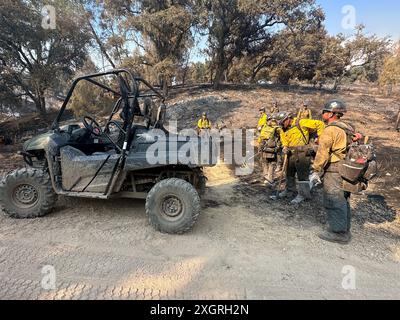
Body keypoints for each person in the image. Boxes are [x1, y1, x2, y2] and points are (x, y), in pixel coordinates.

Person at [310, 99, 361, 244]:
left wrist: (315, 169)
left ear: (332, 114)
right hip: (346, 168)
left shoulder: (330, 129)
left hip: (334, 169)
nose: (323, 113)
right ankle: (344, 229)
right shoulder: (348, 128)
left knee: (333, 198)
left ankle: (337, 233)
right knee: (343, 199)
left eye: (325, 111)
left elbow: (323, 152)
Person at [275, 111, 325, 204]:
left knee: (302, 175)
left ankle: (303, 194)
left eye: (282, 122)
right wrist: (285, 146)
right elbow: (283, 138)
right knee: (289, 173)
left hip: (302, 152)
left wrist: (321, 138)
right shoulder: (283, 128)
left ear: (288, 119)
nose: (282, 125)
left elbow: (320, 124)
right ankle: (289, 191)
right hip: (290, 152)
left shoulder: (301, 122)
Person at [258, 116, 281, 186]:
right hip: (270, 148)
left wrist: (260, 147)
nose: (270, 121)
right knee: (271, 163)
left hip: (265, 147)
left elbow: (260, 138)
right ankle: (269, 178)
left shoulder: (264, 127)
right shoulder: (276, 128)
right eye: (269, 120)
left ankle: (267, 178)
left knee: (266, 162)